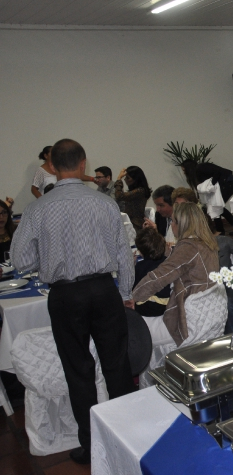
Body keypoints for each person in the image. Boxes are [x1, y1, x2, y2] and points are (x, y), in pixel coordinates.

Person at [11, 139, 135, 465]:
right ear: (83, 164)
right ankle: (130, 437)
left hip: (65, 295)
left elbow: (20, 260)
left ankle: (91, 445)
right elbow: (124, 254)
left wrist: (50, 256)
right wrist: (125, 293)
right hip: (104, 290)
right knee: (117, 365)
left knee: (78, 371)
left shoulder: (38, 208)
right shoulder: (104, 203)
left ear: (52, 166)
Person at [127, 202, 220, 347]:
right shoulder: (206, 243)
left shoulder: (188, 248)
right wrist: (159, 241)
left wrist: (133, 297)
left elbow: (158, 277)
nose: (171, 225)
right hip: (211, 313)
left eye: (173, 221)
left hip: (189, 320)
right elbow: (179, 258)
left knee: (128, 327)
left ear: (182, 224)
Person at [171, 191, 233, 333]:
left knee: (227, 305)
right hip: (199, 292)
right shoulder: (184, 249)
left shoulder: (222, 242)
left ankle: (230, 335)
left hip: (223, 290)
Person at [180, 159, 233, 235]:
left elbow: (217, 172)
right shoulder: (198, 172)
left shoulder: (201, 168)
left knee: (216, 206)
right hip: (227, 183)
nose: (184, 172)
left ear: (188, 168)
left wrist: (212, 184)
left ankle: (221, 230)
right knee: (216, 206)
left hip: (229, 182)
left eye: (184, 170)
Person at [132, 228, 171, 317]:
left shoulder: (140, 267)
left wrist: (131, 267)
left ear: (141, 252)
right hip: (168, 305)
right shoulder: (168, 263)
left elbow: (134, 290)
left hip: (147, 309)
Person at [114, 166, 152, 231]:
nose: (125, 180)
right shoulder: (137, 191)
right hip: (131, 223)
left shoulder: (140, 191)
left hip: (135, 226)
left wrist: (119, 179)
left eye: (128, 178)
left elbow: (119, 196)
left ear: (136, 179)